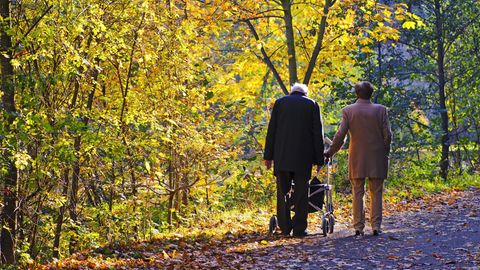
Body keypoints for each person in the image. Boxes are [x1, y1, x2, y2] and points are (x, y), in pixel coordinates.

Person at [325, 81, 392, 236]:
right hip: (377, 156)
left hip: (357, 157)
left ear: (357, 94)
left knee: (357, 192)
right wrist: (385, 151)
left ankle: (358, 227)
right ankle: (376, 226)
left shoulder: (349, 111)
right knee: (376, 192)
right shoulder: (381, 110)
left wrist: (330, 151)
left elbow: (340, 135)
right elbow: (387, 134)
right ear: (371, 93)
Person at [264, 83, 324, 237]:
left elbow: (272, 131)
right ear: (305, 93)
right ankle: (299, 228)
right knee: (301, 193)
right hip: (302, 158)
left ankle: (284, 226)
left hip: (282, 156)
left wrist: (268, 156)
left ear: (292, 92)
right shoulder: (312, 104)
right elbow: (317, 133)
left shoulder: (280, 103)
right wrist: (319, 159)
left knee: (282, 191)